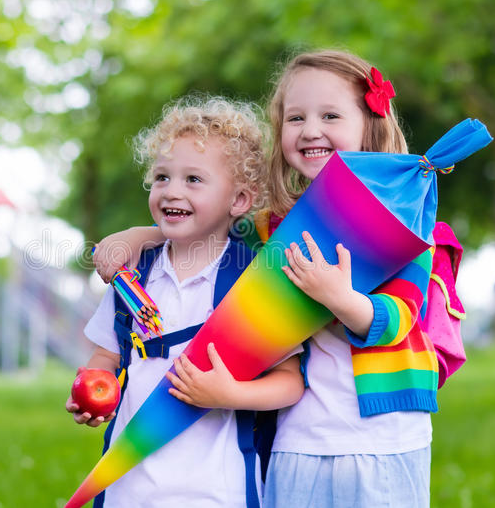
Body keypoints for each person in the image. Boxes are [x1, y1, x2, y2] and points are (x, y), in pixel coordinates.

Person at [94, 50, 438, 507]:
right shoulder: (269, 227)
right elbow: (209, 224)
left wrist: (339, 297)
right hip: (297, 435)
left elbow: (399, 319)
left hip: (384, 435)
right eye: (295, 117)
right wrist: (138, 234)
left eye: (330, 115)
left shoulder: (406, 221)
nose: (310, 129)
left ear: (369, 124)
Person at [66, 95, 305, 508]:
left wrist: (229, 394)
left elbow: (291, 382)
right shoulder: (131, 276)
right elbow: (106, 355)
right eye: (162, 177)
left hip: (216, 490)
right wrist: (91, 389)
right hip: (127, 487)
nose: (171, 191)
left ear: (239, 201)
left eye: (193, 179)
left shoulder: (254, 283)